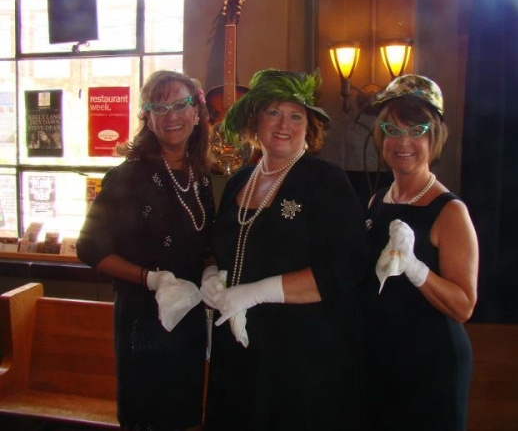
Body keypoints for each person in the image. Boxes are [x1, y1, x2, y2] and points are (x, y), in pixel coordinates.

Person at [200, 69, 368, 431]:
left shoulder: (325, 181)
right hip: (238, 352)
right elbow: (217, 246)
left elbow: (348, 268)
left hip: (298, 358)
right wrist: (211, 275)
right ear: (255, 120)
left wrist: (257, 293)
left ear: (309, 127)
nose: (284, 124)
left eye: (296, 116)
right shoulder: (239, 181)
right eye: (273, 112)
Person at [77, 70, 215, 431]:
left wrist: (211, 270)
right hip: (144, 320)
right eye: (159, 107)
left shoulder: (200, 173)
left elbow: (205, 239)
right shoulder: (128, 176)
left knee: (185, 414)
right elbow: (90, 247)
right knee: (148, 416)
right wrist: (151, 278)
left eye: (181, 104)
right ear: (148, 119)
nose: (172, 116)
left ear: (197, 112)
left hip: (188, 319)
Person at [361, 74, 479, 430]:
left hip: (432, 363)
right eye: (393, 131)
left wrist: (415, 268)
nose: (404, 142)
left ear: (435, 136)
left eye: (416, 131)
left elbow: (463, 305)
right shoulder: (375, 201)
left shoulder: (450, 211)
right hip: (381, 358)